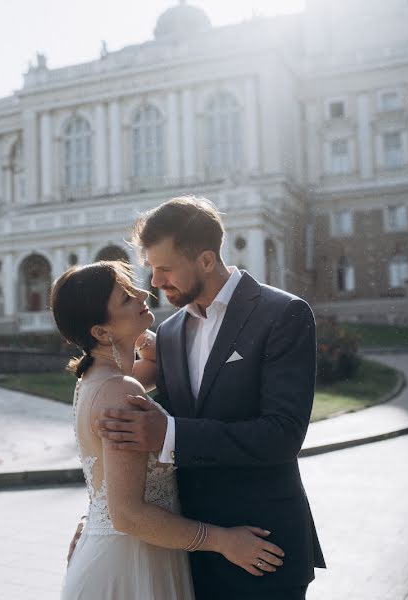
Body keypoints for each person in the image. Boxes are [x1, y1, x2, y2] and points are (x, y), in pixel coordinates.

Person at [96, 196, 326, 599]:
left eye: (165, 269)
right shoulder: (168, 334)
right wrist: (99, 518)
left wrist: (170, 435)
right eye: (151, 268)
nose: (154, 282)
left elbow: (283, 434)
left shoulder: (283, 314)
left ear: (205, 260)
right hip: (188, 553)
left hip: (264, 549)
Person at [53, 260, 286, 600]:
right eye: (126, 298)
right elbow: (128, 514)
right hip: (131, 566)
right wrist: (223, 541)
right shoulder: (121, 390)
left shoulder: (97, 378)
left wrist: (132, 332)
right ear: (100, 332)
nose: (143, 292)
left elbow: (153, 362)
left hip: (125, 551)